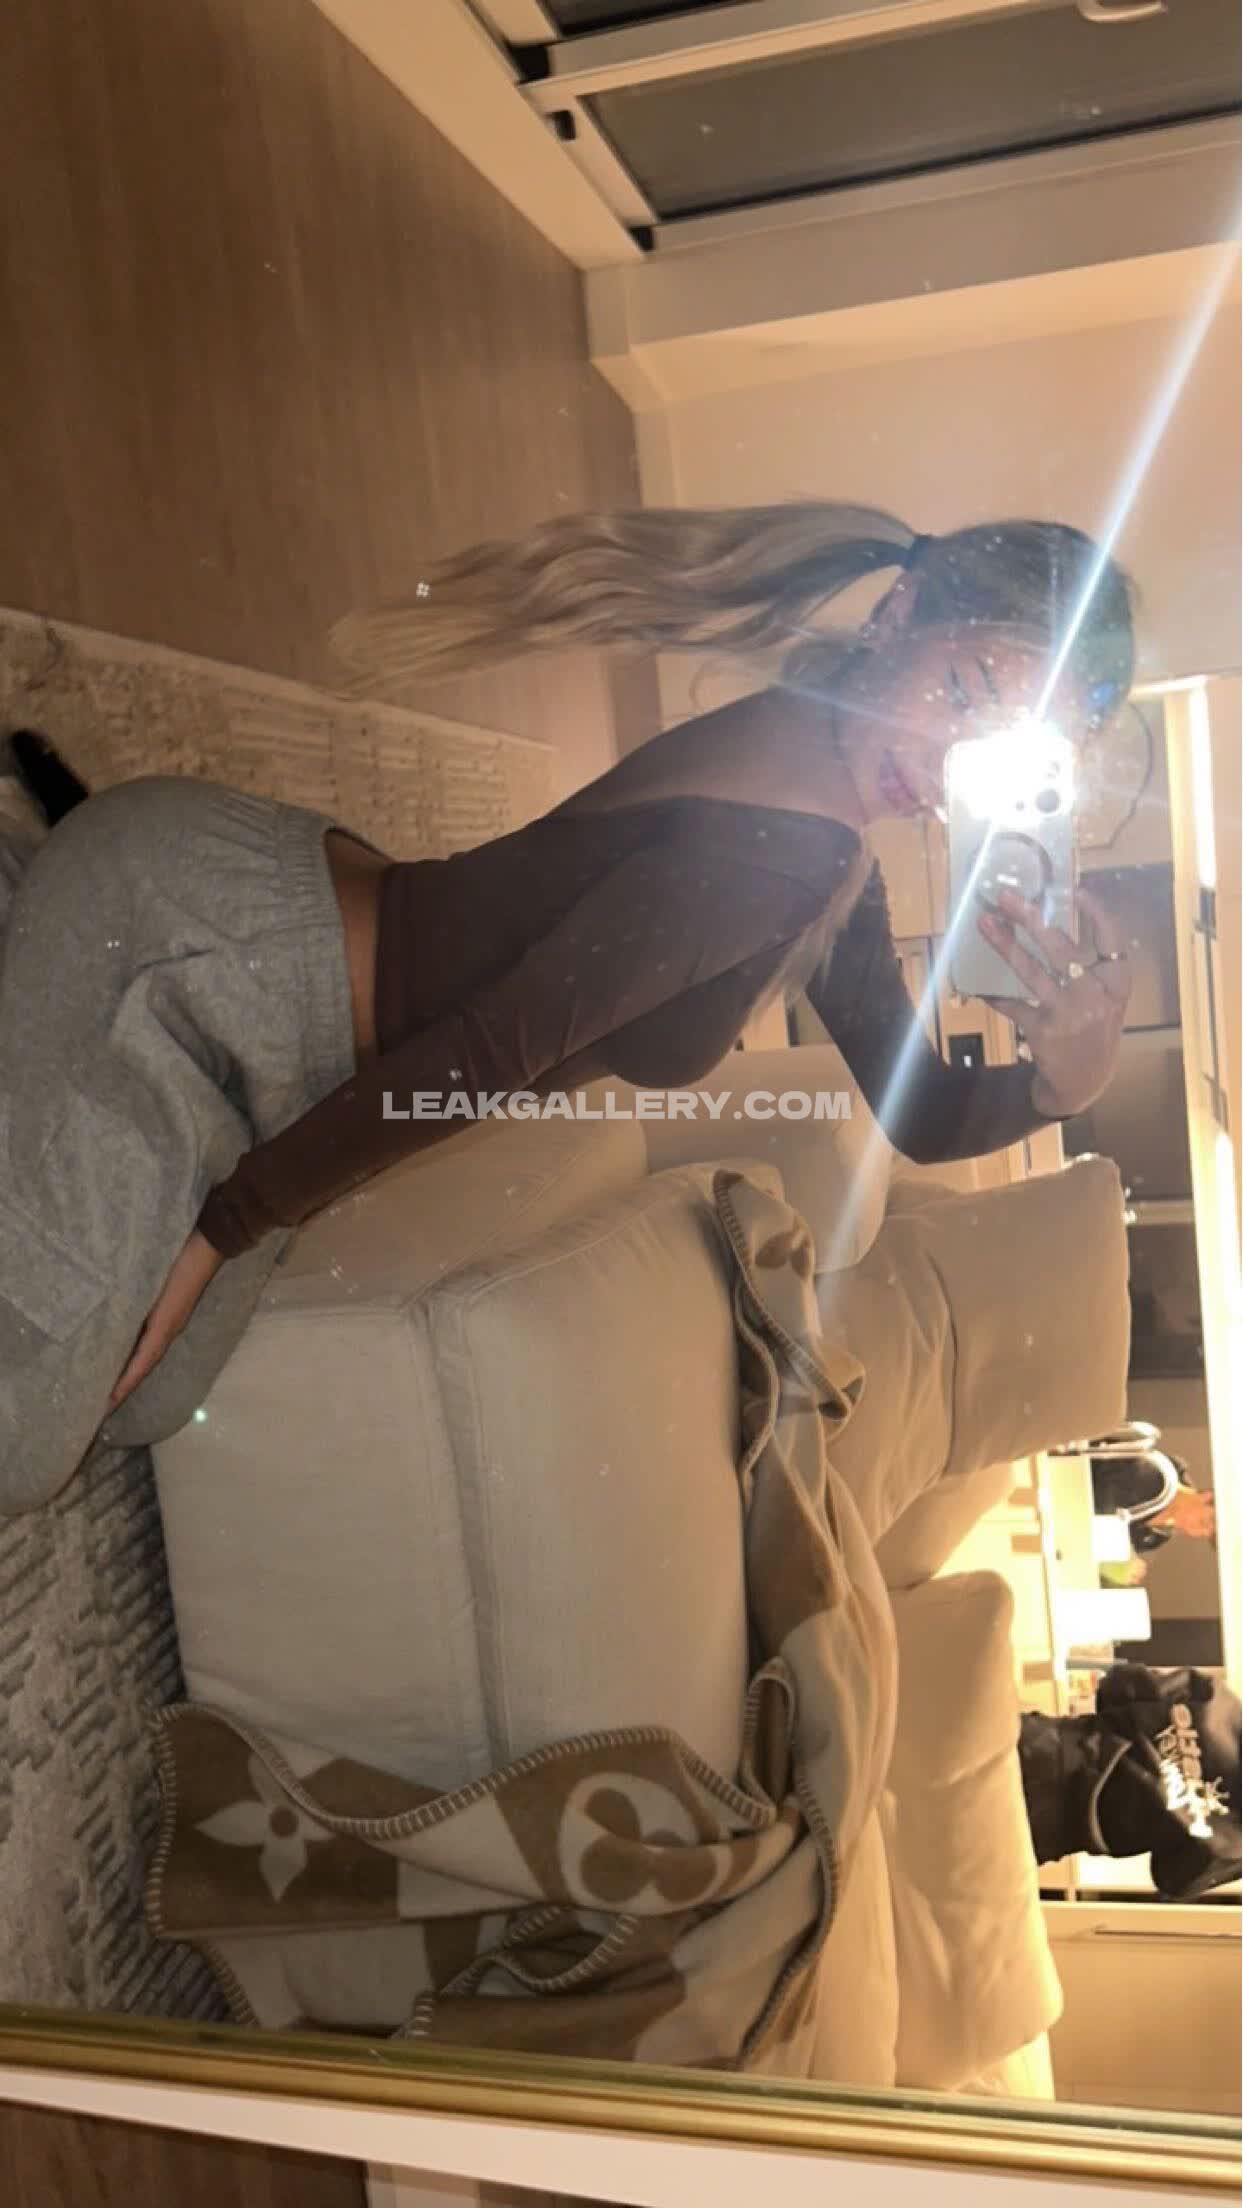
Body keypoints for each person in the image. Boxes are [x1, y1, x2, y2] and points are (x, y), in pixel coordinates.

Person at [0, 505, 1136, 1512]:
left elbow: (917, 1111)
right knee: (28, 1435)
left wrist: (1054, 1086)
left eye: (1003, 745)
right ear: (896, 615)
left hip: (278, 1016)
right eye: (963, 690)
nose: (943, 764)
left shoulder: (832, 839)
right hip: (212, 948)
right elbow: (485, 1053)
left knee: (150, 1397)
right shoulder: (786, 859)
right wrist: (229, 1223)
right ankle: (77, 914)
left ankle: (48, 914)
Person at [1018, 1663, 1241, 1900]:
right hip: (1057, 1827)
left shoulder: (1215, 1698)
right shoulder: (1235, 1843)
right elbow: (1172, 1879)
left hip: (1052, 1745)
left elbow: (1117, 1685)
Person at [1091, 1446, 1217, 1555]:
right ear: (1207, 1496)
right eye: (1204, 1522)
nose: (1196, 1531)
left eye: (1205, 1535)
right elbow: (1098, 1499)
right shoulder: (1154, 1474)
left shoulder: (1156, 1537)